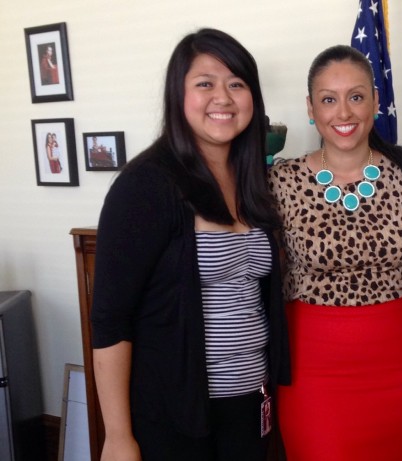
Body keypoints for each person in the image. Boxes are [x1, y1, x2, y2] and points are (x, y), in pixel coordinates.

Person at [90, 28, 290, 461]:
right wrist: (118, 436)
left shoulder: (255, 181)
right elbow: (110, 319)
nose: (223, 97)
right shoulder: (145, 186)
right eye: (205, 84)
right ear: (177, 96)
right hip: (174, 409)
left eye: (237, 84)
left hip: (251, 400)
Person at [268, 45, 402, 461]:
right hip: (312, 370)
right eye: (328, 99)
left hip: (399, 369)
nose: (343, 113)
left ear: (376, 102)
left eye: (356, 97)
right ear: (311, 108)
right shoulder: (279, 180)